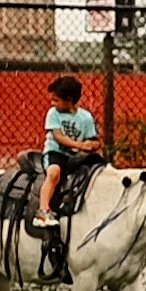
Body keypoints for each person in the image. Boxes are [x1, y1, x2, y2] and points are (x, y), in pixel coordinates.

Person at [34, 74, 105, 228]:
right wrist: (80, 146)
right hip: (56, 153)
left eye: (56, 100)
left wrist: (92, 145)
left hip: (75, 157)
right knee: (54, 173)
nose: (52, 103)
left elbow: (93, 139)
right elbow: (59, 137)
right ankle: (43, 210)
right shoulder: (53, 114)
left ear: (70, 100)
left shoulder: (85, 117)